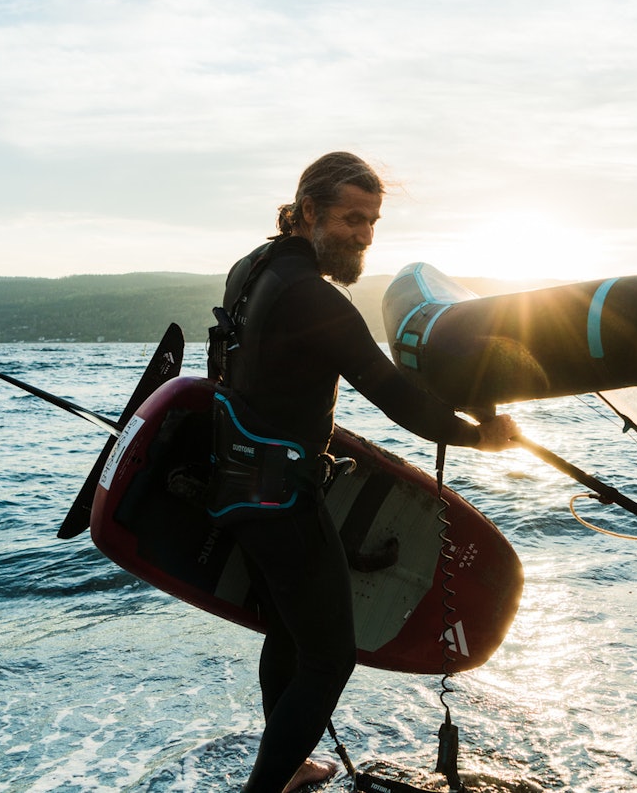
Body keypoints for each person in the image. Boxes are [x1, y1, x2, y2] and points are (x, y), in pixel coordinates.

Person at [206, 152, 519, 793]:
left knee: (291, 635)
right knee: (329, 659)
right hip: (280, 498)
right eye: (351, 218)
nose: (364, 236)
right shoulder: (311, 298)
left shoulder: (249, 271)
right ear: (309, 211)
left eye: (372, 222)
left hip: (238, 483)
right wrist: (478, 437)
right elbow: (393, 395)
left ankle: (289, 767)